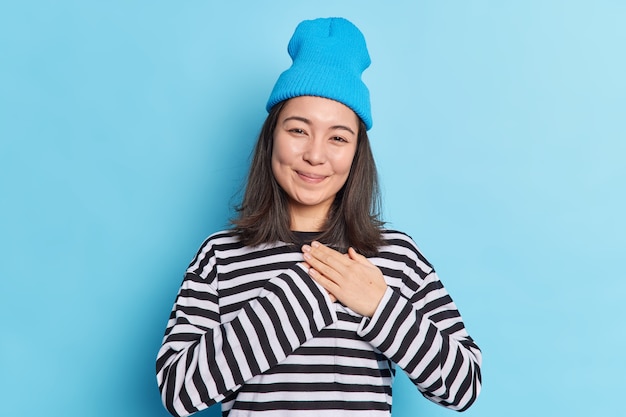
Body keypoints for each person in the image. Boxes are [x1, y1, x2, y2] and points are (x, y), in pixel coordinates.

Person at [156, 17, 482, 417]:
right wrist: (299, 299)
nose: (315, 154)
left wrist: (380, 304)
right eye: (298, 130)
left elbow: (464, 386)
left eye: (338, 137)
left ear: (358, 152)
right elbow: (176, 391)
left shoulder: (396, 255)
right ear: (272, 135)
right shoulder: (220, 256)